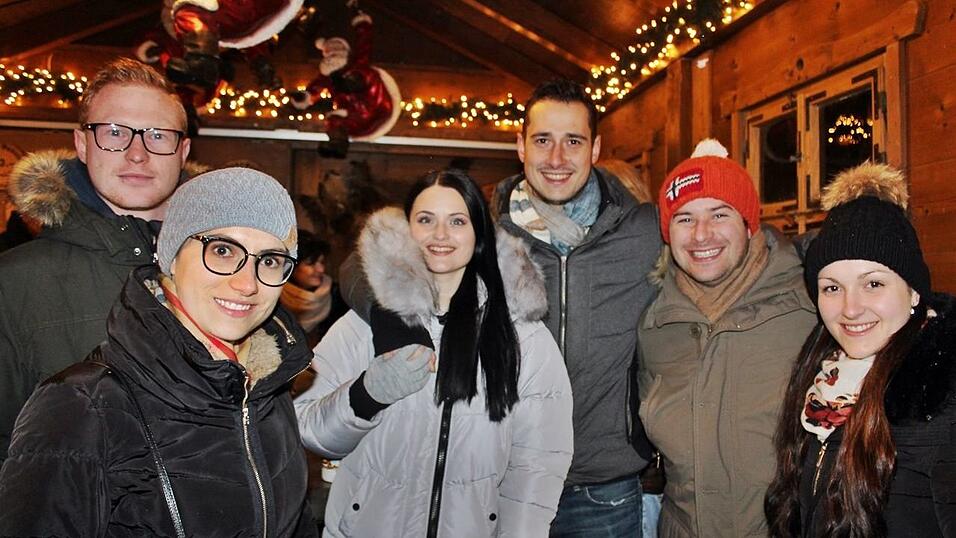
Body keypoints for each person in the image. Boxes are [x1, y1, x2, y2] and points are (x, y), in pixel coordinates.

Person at [0, 168, 317, 537]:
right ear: (172, 255)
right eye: (222, 250)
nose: (246, 284)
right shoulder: (84, 403)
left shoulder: (266, 386)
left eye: (270, 260)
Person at [295, 169, 573, 537]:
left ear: (478, 235)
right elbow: (308, 428)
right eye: (426, 220)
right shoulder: (365, 324)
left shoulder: (523, 336)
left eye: (457, 221)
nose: (440, 234)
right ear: (407, 231)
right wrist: (364, 397)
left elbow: (538, 465)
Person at [0, 57, 193, 466]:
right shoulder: (15, 282)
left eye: (158, 135)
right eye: (115, 133)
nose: (138, 153)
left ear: (184, 150)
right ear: (82, 144)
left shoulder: (231, 269)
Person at [494, 78, 662, 537]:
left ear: (595, 148)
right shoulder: (483, 232)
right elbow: (373, 266)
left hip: (603, 484)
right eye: (542, 140)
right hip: (501, 478)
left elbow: (730, 244)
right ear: (520, 146)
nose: (556, 158)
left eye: (573, 141)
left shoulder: (644, 231)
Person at [637, 139, 817, 537]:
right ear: (667, 234)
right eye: (684, 218)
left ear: (749, 223)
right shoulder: (656, 325)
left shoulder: (810, 307)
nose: (702, 235)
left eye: (719, 214)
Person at [765, 162, 956, 537]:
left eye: (873, 284)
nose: (850, 309)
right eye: (832, 288)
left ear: (914, 290)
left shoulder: (942, 390)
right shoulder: (820, 375)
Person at [280, 228, 347, 348]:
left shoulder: (337, 296)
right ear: (292, 266)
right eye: (311, 263)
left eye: (322, 262)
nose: (320, 269)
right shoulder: (275, 297)